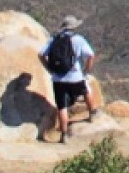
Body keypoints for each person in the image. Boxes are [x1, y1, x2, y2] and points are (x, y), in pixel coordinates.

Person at [40, 15, 98, 143]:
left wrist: (49, 68)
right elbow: (91, 55)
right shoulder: (78, 39)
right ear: (74, 27)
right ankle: (92, 113)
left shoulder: (54, 39)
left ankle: (64, 135)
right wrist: (86, 70)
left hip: (58, 79)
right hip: (75, 76)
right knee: (86, 90)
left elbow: (41, 54)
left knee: (62, 107)